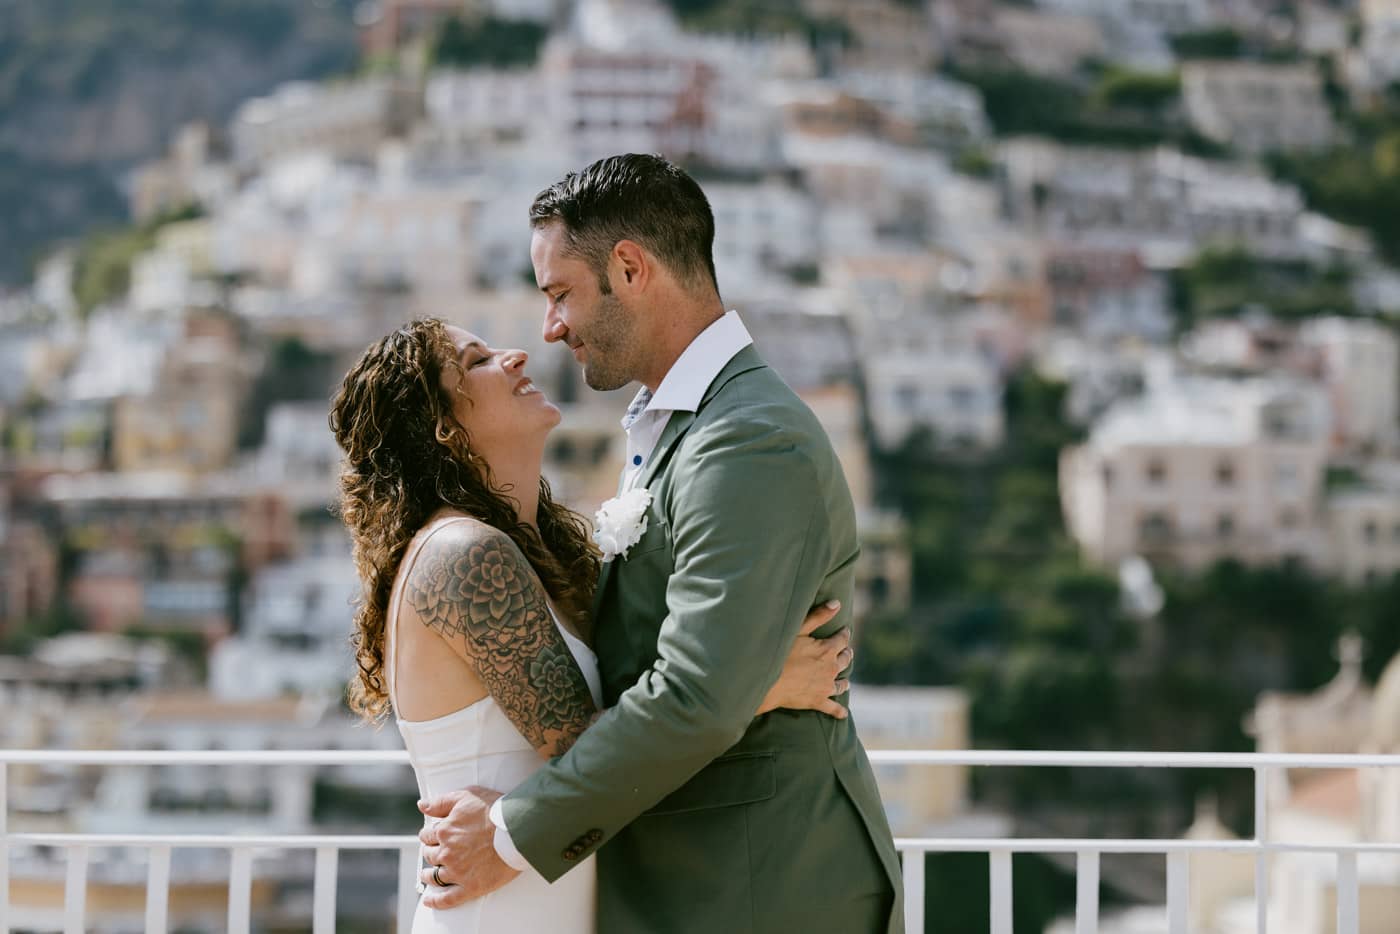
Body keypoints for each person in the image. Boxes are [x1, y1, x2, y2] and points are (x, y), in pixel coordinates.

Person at [417, 153, 904, 933]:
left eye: (560, 294)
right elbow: (697, 682)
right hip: (698, 879)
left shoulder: (746, 441)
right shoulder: (686, 425)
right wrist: (759, 685)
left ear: (632, 268)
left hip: (754, 885)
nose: (550, 328)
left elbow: (696, 697)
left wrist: (509, 835)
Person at [329, 317, 855, 933]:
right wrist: (763, 685)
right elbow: (593, 758)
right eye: (476, 361)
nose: (517, 355)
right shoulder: (465, 556)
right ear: (441, 427)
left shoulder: (527, 556)